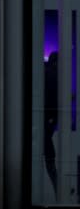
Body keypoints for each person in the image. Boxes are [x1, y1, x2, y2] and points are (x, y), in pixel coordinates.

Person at [44, 51, 58, 196]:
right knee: (49, 156)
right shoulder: (52, 75)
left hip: (46, 121)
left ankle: (58, 187)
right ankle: (58, 187)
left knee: (49, 156)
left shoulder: (46, 73)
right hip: (47, 121)